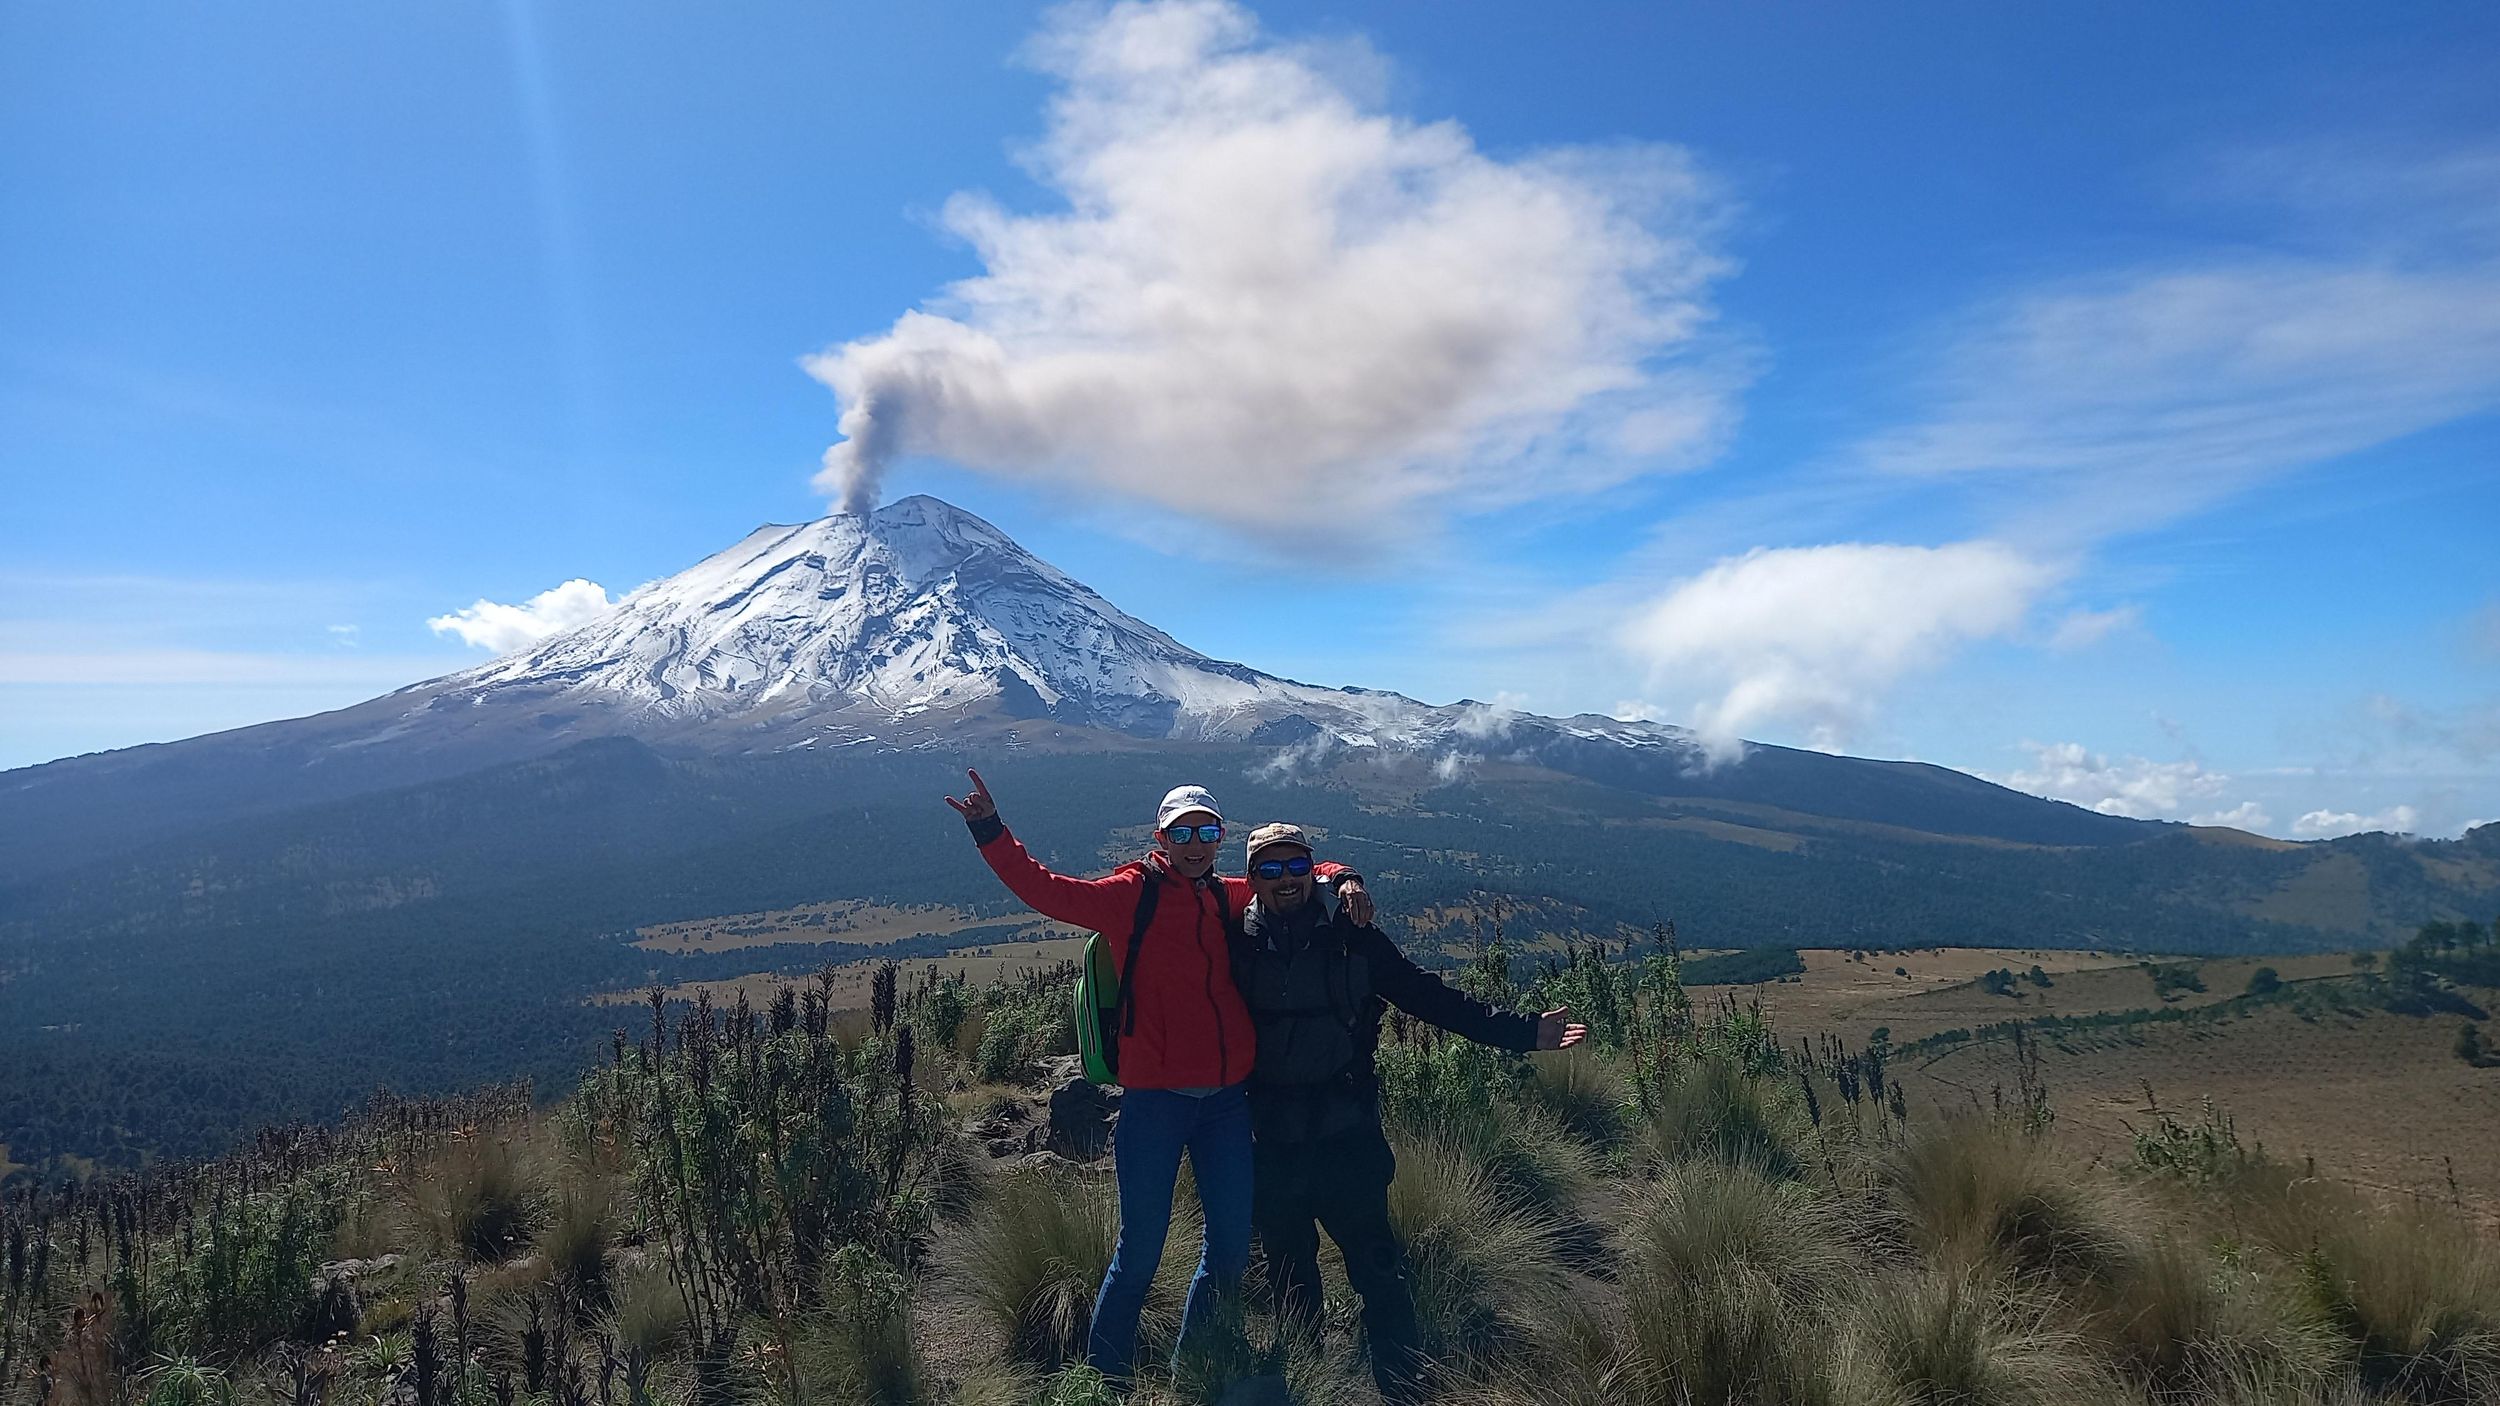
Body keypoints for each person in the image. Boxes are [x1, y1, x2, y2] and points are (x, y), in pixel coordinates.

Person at [942, 771, 1372, 1385]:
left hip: (1226, 1104)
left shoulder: (1226, 895)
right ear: (1160, 837)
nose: (1195, 843)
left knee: (1226, 1251)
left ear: (1219, 837)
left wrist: (1343, 875)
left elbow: (1292, 873)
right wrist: (990, 829)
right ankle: (1105, 1381)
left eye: (1207, 831)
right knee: (1139, 1254)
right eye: (1183, 832)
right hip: (1155, 1103)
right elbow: (1045, 890)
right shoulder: (1131, 895)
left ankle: (1186, 1371)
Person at [1230, 821, 1584, 1404]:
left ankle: (1405, 1388)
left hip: (1348, 1138)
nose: (1285, 880)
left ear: (1310, 872)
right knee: (1291, 1282)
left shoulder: (1354, 936)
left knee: (1378, 1270)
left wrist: (1525, 1034)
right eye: (1271, 870)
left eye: (1296, 867)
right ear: (1252, 881)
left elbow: (1427, 997)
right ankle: (1307, 1388)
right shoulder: (1234, 942)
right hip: (1273, 1144)